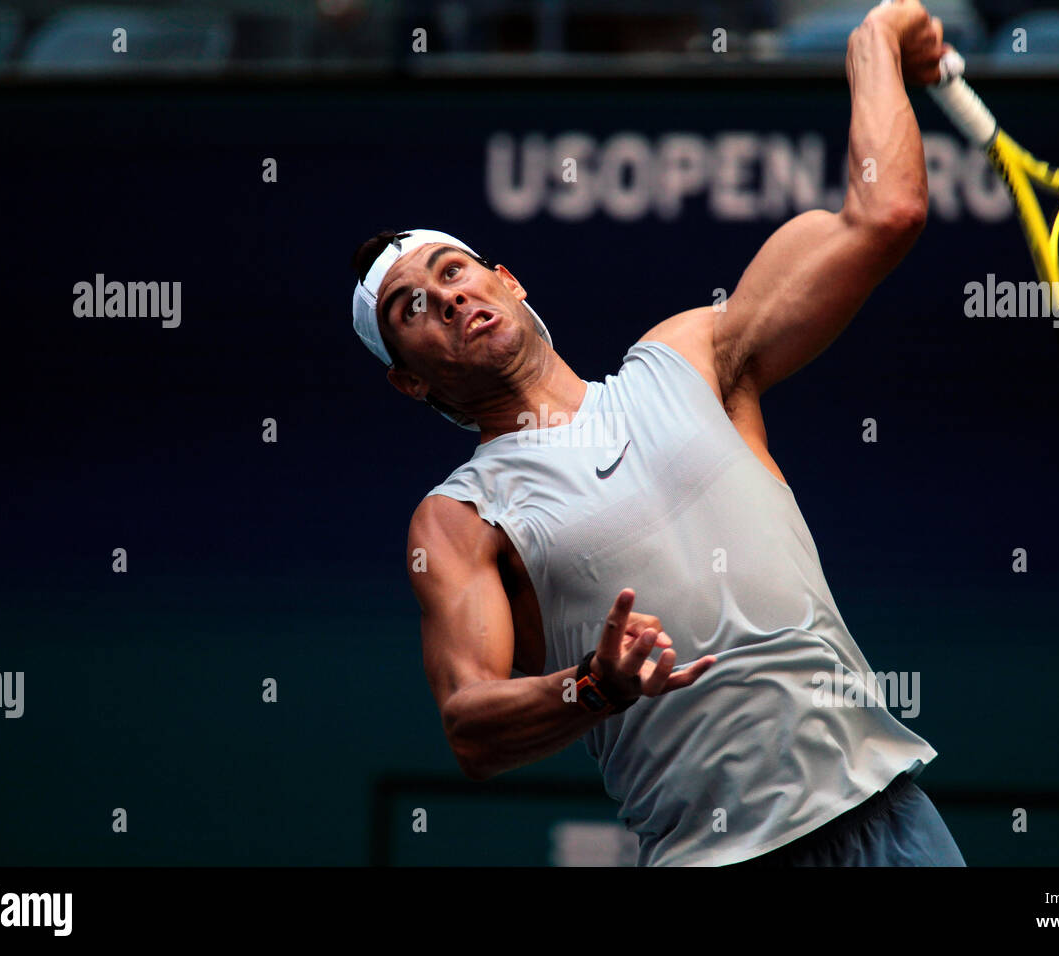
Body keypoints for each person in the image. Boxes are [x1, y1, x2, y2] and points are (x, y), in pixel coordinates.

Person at [351, 0, 966, 866]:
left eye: (455, 270)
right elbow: (472, 731)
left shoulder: (690, 357)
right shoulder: (458, 520)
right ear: (408, 379)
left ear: (509, 281)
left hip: (891, 818)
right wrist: (592, 688)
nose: (447, 296)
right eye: (411, 306)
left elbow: (885, 215)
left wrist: (875, 42)